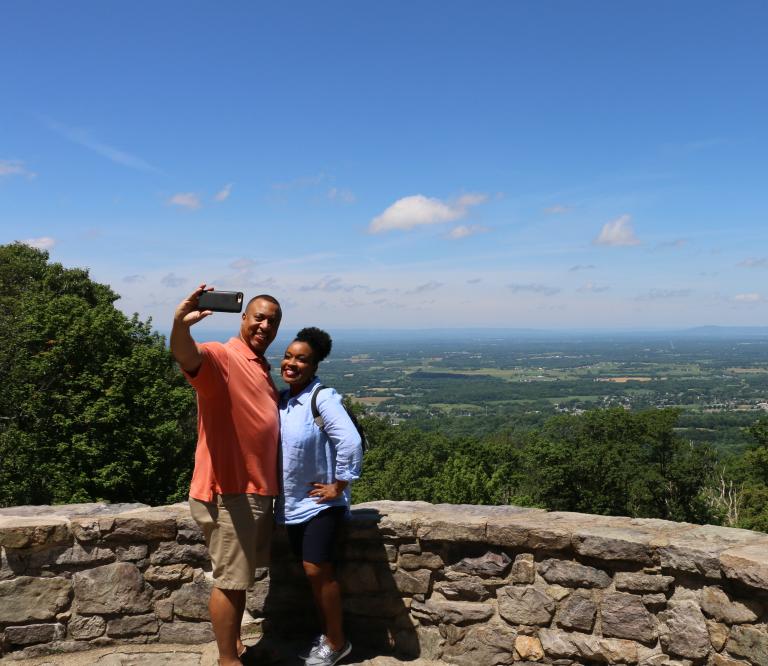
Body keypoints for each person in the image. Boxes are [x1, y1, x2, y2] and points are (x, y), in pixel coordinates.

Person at [171, 284, 282, 666]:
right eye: (259, 318)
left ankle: (235, 647)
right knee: (231, 583)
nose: (265, 326)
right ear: (243, 318)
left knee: (238, 580)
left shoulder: (258, 364)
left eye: (272, 321)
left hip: (249, 491)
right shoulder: (225, 356)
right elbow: (188, 356)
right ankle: (226, 660)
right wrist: (180, 325)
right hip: (229, 492)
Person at [277, 327, 363, 666]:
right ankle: (327, 636)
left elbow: (350, 442)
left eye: (302, 359)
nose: (291, 363)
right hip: (292, 505)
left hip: (320, 505)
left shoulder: (322, 398)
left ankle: (338, 642)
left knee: (317, 571)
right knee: (313, 574)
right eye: (288, 356)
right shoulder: (283, 400)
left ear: (314, 366)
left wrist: (338, 485)